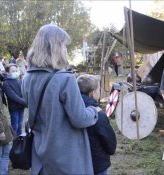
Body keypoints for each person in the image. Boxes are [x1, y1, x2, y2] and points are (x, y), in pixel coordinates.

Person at [21, 24, 99, 174]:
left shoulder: (26, 78)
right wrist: (93, 110)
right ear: (55, 47)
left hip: (40, 154)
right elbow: (80, 119)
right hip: (66, 157)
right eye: (64, 45)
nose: (65, 50)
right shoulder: (65, 79)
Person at [77, 75, 117, 175]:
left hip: (76, 162)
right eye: (99, 89)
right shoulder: (98, 114)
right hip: (97, 163)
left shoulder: (71, 111)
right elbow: (109, 141)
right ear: (93, 92)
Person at [3, 64, 27, 137]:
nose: (15, 72)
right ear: (7, 73)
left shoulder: (19, 80)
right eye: (13, 71)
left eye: (16, 71)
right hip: (14, 108)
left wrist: (25, 101)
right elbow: (13, 96)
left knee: (20, 124)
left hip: (21, 106)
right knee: (15, 126)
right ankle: (15, 141)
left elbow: (24, 92)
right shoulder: (6, 83)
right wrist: (25, 102)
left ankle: (20, 140)